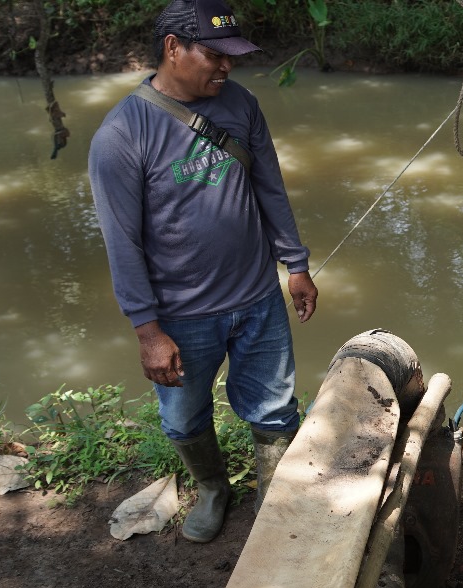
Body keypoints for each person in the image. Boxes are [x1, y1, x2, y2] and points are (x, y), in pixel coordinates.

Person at [88, 0, 317, 542]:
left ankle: (273, 502)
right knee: (183, 419)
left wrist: (296, 264)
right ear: (173, 48)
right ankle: (214, 488)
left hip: (258, 296)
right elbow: (121, 243)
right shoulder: (121, 135)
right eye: (214, 55)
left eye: (232, 57)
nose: (226, 67)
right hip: (181, 315)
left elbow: (270, 188)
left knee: (275, 408)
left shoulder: (241, 105)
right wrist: (148, 330)